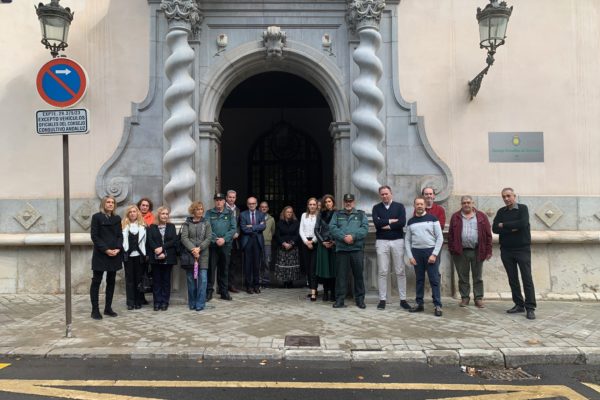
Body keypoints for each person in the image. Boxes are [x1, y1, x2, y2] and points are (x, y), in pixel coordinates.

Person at [492, 188, 536, 320]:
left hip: (522, 249)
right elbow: (494, 228)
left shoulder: (523, 208)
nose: (506, 199)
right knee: (513, 279)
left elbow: (522, 224)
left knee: (526, 278)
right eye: (504, 197)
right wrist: (512, 228)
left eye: (508, 196)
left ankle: (530, 307)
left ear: (514, 196)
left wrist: (503, 226)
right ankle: (519, 304)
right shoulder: (501, 211)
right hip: (506, 250)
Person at [448, 195, 492, 308]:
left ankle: (478, 298)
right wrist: (452, 249)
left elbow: (488, 235)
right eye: (464, 203)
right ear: (461, 204)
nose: (466, 205)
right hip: (461, 251)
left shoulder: (481, 216)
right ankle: (465, 298)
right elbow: (451, 235)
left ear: (473, 203)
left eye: (468, 202)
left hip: (478, 250)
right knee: (463, 276)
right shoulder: (456, 216)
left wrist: (488, 251)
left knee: (477, 276)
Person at [372, 185, 410, 311]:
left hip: (397, 241)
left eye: (386, 193)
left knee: (400, 270)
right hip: (381, 241)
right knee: (383, 271)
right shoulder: (376, 208)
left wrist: (386, 224)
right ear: (380, 195)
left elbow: (402, 222)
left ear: (391, 193)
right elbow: (377, 224)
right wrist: (391, 221)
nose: (384, 196)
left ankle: (403, 299)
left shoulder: (399, 206)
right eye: (382, 194)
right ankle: (382, 299)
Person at [405, 196, 444, 317]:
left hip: (430, 252)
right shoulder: (410, 221)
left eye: (422, 204)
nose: (420, 206)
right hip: (417, 253)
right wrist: (410, 256)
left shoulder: (433, 219)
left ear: (425, 205)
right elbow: (407, 241)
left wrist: (434, 254)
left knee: (434, 280)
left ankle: (437, 305)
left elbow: (440, 238)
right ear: (414, 206)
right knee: (419, 280)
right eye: (417, 204)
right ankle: (419, 304)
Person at [329, 193, 369, 309]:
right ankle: (340, 300)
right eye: (346, 201)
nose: (348, 203)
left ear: (354, 202)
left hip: (356, 249)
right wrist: (343, 237)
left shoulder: (361, 214)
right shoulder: (337, 214)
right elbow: (332, 227)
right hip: (342, 249)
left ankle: (360, 300)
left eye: (350, 201)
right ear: (343, 202)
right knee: (341, 276)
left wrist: (353, 237)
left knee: (358, 275)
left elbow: (365, 229)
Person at [90, 195, 123, 320]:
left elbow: (120, 235)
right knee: (96, 281)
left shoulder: (117, 218)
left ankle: (108, 308)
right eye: (108, 202)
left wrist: (118, 248)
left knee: (111, 281)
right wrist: (106, 250)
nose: (110, 204)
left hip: (114, 254)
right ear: (104, 204)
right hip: (101, 254)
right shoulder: (96, 217)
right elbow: (94, 236)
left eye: (112, 202)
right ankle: (95, 310)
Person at [180, 201, 212, 311]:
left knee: (202, 280)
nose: (200, 211)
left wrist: (199, 248)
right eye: (197, 209)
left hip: (203, 255)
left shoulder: (206, 223)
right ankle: (192, 302)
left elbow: (209, 238)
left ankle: (200, 303)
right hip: (190, 255)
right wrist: (193, 249)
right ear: (193, 211)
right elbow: (184, 238)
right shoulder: (187, 223)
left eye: (201, 209)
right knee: (191, 279)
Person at [206, 193, 237, 301]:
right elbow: (207, 228)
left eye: (221, 200)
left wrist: (224, 239)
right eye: (217, 200)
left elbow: (233, 228)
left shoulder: (229, 213)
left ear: (224, 201)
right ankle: (209, 292)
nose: (219, 202)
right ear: (214, 201)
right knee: (211, 269)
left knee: (224, 269)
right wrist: (215, 239)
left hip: (226, 245)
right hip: (213, 246)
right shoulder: (209, 213)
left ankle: (224, 292)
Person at [146, 206, 178, 311]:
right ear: (158, 215)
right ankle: (157, 302)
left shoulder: (171, 226)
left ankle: (165, 301)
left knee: (166, 281)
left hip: (168, 257)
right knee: (157, 281)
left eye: (166, 214)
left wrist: (162, 249)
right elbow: (150, 240)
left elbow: (173, 240)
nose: (164, 216)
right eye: (162, 214)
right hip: (155, 257)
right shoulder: (152, 227)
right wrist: (156, 250)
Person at [121, 204, 147, 310]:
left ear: (137, 213)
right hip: (128, 256)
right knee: (129, 280)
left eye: (134, 211)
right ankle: (130, 302)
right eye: (130, 212)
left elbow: (146, 242)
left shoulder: (143, 226)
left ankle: (138, 301)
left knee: (139, 279)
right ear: (128, 214)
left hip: (140, 256)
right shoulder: (123, 226)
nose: (132, 213)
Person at [240, 197, 266, 294]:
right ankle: (249, 286)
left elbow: (263, 226)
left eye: (253, 203)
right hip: (247, 241)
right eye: (250, 203)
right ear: (247, 204)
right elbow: (243, 228)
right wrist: (257, 227)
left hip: (257, 241)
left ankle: (256, 285)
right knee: (248, 264)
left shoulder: (261, 214)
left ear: (256, 204)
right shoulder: (243, 214)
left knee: (256, 264)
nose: (252, 205)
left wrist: (251, 226)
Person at [315, 194, 336, 302]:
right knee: (325, 270)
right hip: (323, 244)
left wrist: (334, 241)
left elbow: (340, 228)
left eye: (330, 201)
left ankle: (333, 292)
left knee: (333, 269)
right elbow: (316, 229)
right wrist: (322, 241)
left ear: (333, 202)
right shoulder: (320, 214)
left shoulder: (337, 214)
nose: (328, 203)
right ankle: (325, 292)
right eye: (326, 202)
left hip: (334, 244)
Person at [274, 206, 301, 288]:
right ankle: (284, 281)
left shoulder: (296, 223)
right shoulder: (279, 223)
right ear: (284, 213)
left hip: (293, 247)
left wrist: (291, 243)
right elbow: (277, 235)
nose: (289, 213)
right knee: (284, 265)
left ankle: (290, 282)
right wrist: (283, 243)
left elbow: (297, 235)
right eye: (287, 212)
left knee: (291, 265)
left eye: (290, 212)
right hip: (283, 247)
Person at [300, 197, 319, 301]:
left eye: (314, 204)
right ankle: (312, 289)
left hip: (315, 243)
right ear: (308, 205)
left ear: (316, 206)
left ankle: (313, 291)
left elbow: (319, 230)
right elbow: (301, 230)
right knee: (307, 268)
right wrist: (306, 242)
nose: (312, 206)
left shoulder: (318, 216)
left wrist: (313, 241)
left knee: (313, 268)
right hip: (305, 243)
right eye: (310, 204)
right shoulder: (304, 215)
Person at [136, 198, 154, 305]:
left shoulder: (152, 218)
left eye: (147, 206)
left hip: (148, 250)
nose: (144, 207)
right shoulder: (134, 216)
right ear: (139, 206)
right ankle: (138, 297)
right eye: (143, 205)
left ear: (149, 207)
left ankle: (143, 296)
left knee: (145, 274)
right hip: (136, 250)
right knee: (138, 274)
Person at [225, 190, 241, 293]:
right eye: (230, 197)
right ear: (226, 198)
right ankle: (222, 286)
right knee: (224, 263)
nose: (231, 199)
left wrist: (238, 232)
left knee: (233, 264)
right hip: (225, 239)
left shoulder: (238, 210)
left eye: (233, 197)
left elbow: (239, 224)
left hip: (235, 241)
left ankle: (231, 285)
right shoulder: (222, 208)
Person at [259, 201, 275, 288]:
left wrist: (268, 237)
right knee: (257, 262)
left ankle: (266, 281)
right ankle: (257, 280)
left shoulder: (271, 219)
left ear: (268, 208)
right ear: (259, 208)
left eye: (265, 207)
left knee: (266, 262)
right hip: (257, 243)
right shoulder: (256, 217)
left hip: (267, 244)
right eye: (262, 207)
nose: (264, 208)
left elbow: (273, 231)